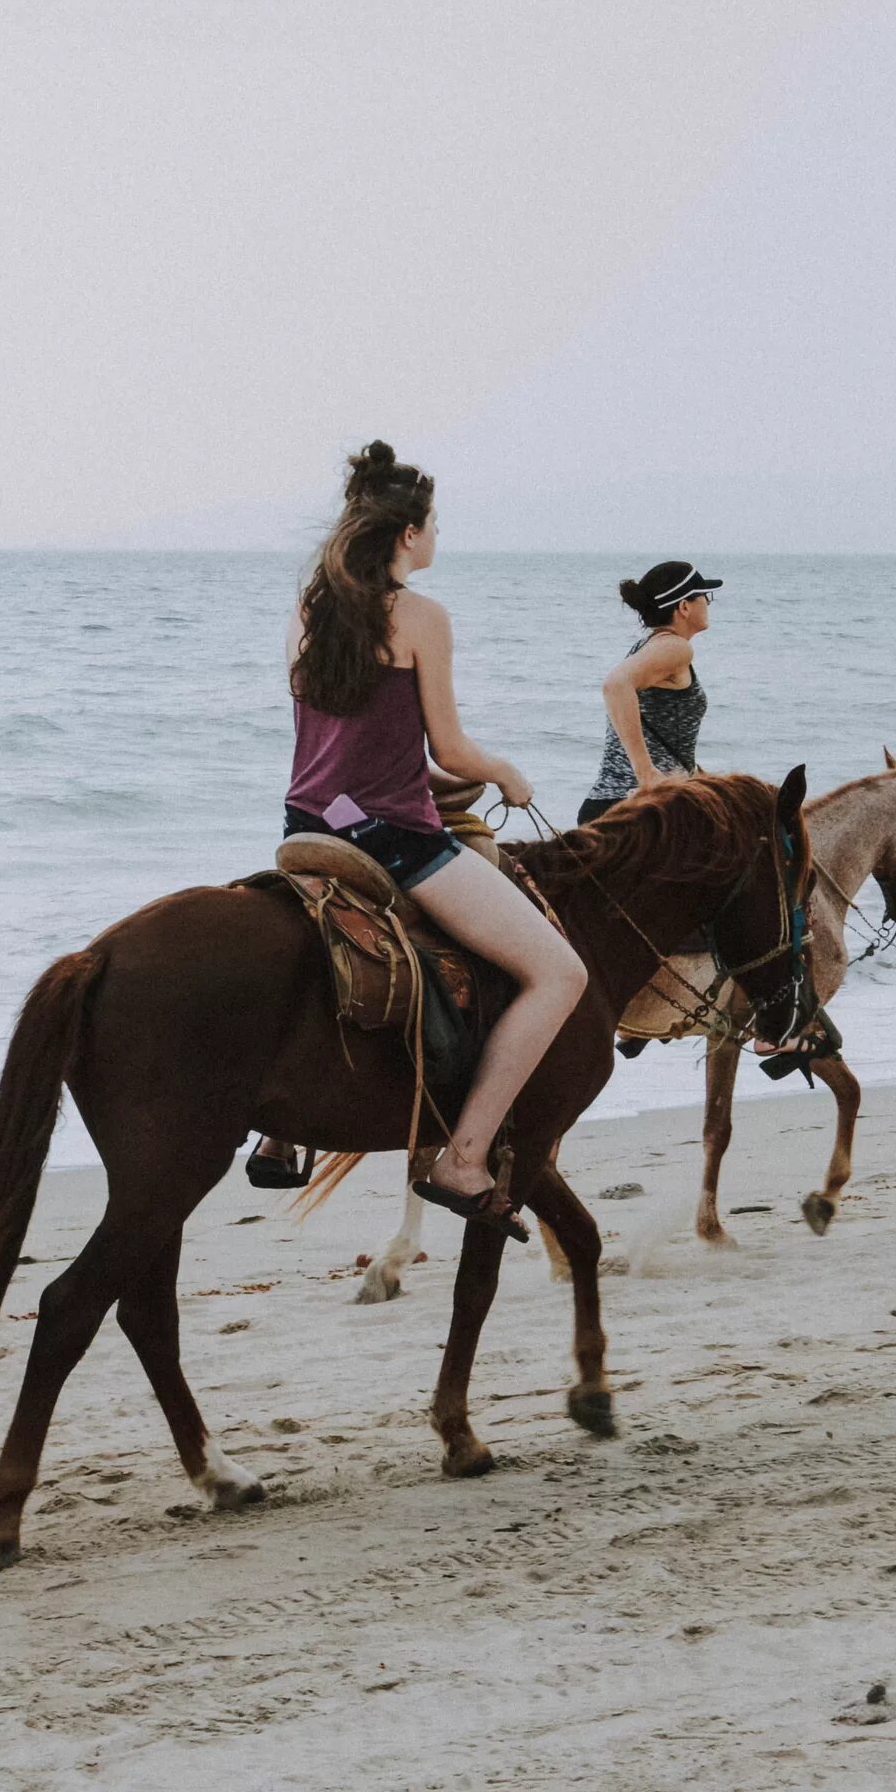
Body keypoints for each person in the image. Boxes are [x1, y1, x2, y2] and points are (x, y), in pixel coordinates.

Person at [270, 442, 588, 1221]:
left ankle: (280, 1135)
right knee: (560, 974)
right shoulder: (421, 617)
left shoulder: (310, 609)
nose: (437, 535)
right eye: (433, 522)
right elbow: (449, 746)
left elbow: (338, 744)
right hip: (392, 840)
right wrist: (502, 772)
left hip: (308, 824)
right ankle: (466, 1157)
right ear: (407, 533)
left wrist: (433, 781)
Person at [578, 560, 721, 823]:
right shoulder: (676, 648)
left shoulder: (651, 647)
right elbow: (615, 685)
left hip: (616, 805)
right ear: (685, 607)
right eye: (705, 597)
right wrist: (645, 772)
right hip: (638, 813)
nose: (709, 604)